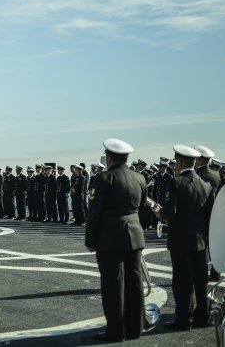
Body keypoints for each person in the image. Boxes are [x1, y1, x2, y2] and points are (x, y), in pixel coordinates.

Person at [85, 138, 146, 342]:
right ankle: (136, 328)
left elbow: (95, 213)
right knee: (135, 282)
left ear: (109, 158)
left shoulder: (103, 179)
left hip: (110, 238)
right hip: (135, 235)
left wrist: (90, 240)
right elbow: (142, 207)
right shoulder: (139, 178)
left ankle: (115, 331)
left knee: (113, 285)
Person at [156, 145, 213, 330]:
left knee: (182, 282)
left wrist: (159, 212)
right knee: (201, 281)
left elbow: (170, 212)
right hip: (200, 239)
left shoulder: (176, 182)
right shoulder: (206, 185)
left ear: (180, 162)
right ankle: (202, 317)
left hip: (180, 239)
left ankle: (183, 319)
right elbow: (209, 214)